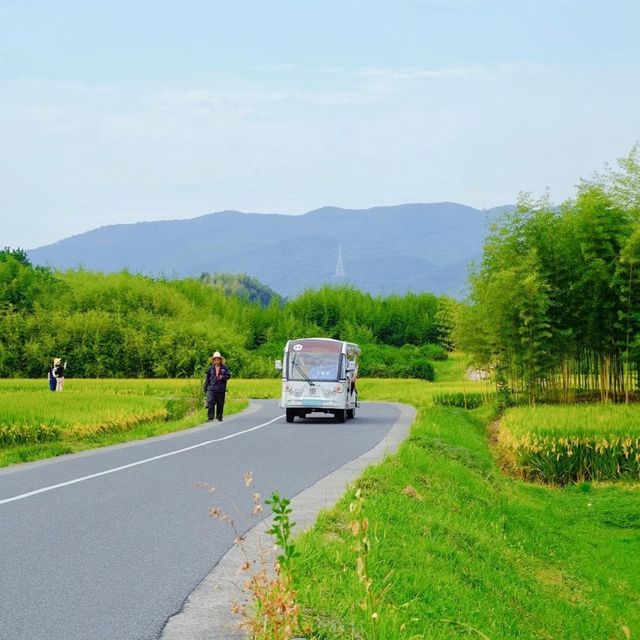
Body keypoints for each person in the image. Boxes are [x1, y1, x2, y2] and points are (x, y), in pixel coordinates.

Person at [203, 351, 231, 421]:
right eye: (215, 360)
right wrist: (205, 388)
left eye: (218, 359)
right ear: (213, 361)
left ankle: (219, 417)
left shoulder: (224, 368)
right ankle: (210, 417)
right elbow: (207, 379)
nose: (216, 361)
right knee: (211, 401)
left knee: (220, 403)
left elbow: (228, 376)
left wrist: (222, 377)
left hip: (221, 389)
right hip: (212, 389)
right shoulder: (210, 369)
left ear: (220, 360)